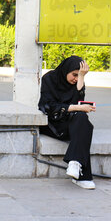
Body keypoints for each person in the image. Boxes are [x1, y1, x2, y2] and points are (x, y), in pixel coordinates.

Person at [38, 55, 96, 190]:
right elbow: (49, 107)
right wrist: (77, 108)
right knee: (84, 126)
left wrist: (81, 78)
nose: (76, 79)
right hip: (52, 124)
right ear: (66, 70)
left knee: (82, 119)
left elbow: (78, 102)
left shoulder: (77, 82)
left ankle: (75, 162)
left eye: (79, 76)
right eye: (74, 75)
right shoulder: (49, 79)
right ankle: (83, 176)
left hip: (70, 122)